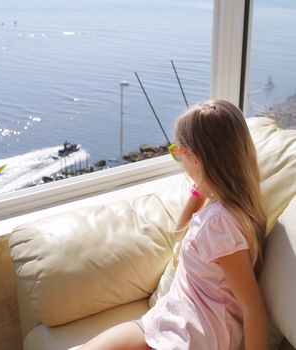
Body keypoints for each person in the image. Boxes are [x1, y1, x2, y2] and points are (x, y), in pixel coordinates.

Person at [78, 100, 268, 350]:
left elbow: (252, 306)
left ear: (197, 159)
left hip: (190, 338)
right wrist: (200, 190)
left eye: (178, 153)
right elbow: (180, 233)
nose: (179, 162)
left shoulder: (221, 224)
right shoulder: (219, 206)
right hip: (166, 319)